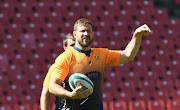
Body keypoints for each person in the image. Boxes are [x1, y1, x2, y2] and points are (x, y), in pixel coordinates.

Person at [49, 18, 151, 110]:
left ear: (93, 34)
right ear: (75, 34)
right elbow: (52, 86)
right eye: (82, 31)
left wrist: (136, 35)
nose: (86, 34)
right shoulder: (66, 57)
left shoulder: (102, 54)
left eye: (88, 31)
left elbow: (128, 55)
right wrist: (71, 95)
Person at [40, 33, 75, 110]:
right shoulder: (56, 67)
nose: (75, 48)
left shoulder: (87, 65)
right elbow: (45, 93)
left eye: (77, 45)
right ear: (65, 47)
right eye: (72, 45)